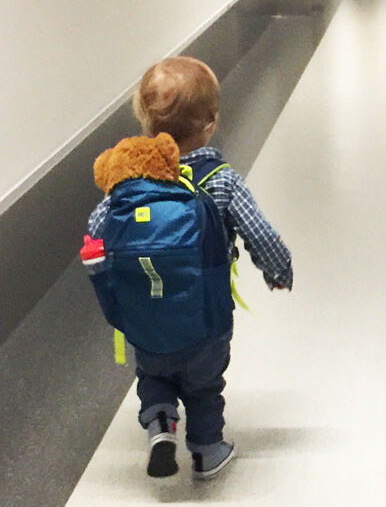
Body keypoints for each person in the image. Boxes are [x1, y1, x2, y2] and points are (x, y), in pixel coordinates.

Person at [86, 56, 294, 479]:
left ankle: (160, 423)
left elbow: (96, 233)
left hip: (147, 321)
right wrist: (279, 270)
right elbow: (262, 236)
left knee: (153, 374)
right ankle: (207, 450)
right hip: (207, 320)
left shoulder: (128, 184)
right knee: (204, 387)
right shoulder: (220, 180)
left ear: (144, 121)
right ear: (211, 123)